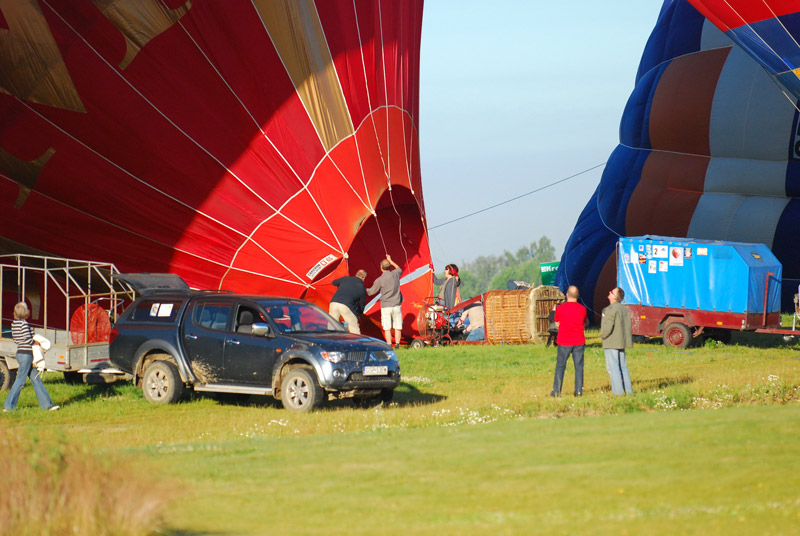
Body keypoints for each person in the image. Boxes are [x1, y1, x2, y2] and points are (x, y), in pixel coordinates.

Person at [3, 302, 59, 412]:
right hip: (26, 354)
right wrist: (37, 342)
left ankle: (47, 405)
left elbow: (17, 339)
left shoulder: (14, 324)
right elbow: (28, 339)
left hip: (20, 352)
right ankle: (9, 406)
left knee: (36, 379)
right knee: (20, 381)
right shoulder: (24, 324)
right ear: (25, 312)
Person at [550, 286, 587, 397]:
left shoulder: (560, 308)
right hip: (579, 341)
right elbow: (584, 322)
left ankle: (557, 391)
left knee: (560, 366)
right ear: (578, 296)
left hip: (564, 340)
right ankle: (579, 391)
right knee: (579, 367)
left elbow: (557, 321)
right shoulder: (582, 309)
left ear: (567, 295)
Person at [601, 287, 634, 396]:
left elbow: (607, 327)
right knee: (623, 367)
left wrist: (602, 336)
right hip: (622, 341)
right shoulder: (624, 309)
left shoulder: (610, 309)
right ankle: (629, 391)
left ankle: (618, 393)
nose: (609, 292)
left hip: (611, 342)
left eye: (611, 292)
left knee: (613, 368)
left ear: (615, 297)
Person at [367, 255, 403, 347]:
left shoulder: (380, 280)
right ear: (390, 266)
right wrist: (391, 260)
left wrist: (363, 289)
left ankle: (389, 345)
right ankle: (398, 345)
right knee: (398, 326)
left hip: (386, 306)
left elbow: (371, 292)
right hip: (396, 305)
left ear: (381, 268)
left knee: (387, 327)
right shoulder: (395, 274)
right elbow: (399, 268)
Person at [329, 269, 367, 334]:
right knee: (354, 328)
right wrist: (359, 313)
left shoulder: (345, 278)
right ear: (363, 278)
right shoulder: (362, 288)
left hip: (334, 303)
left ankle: (329, 341)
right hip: (347, 306)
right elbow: (362, 304)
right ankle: (356, 343)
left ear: (356, 275)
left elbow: (333, 282)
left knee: (332, 326)